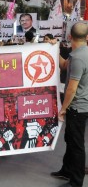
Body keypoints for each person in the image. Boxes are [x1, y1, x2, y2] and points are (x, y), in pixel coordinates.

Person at [51, 22, 88, 187]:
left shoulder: (79, 57)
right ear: (87, 38)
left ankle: (76, 181)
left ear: (70, 37)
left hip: (77, 107)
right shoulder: (78, 54)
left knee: (76, 144)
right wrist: (54, 49)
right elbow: (64, 65)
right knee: (70, 140)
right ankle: (67, 170)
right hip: (80, 105)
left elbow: (72, 89)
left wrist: (63, 109)